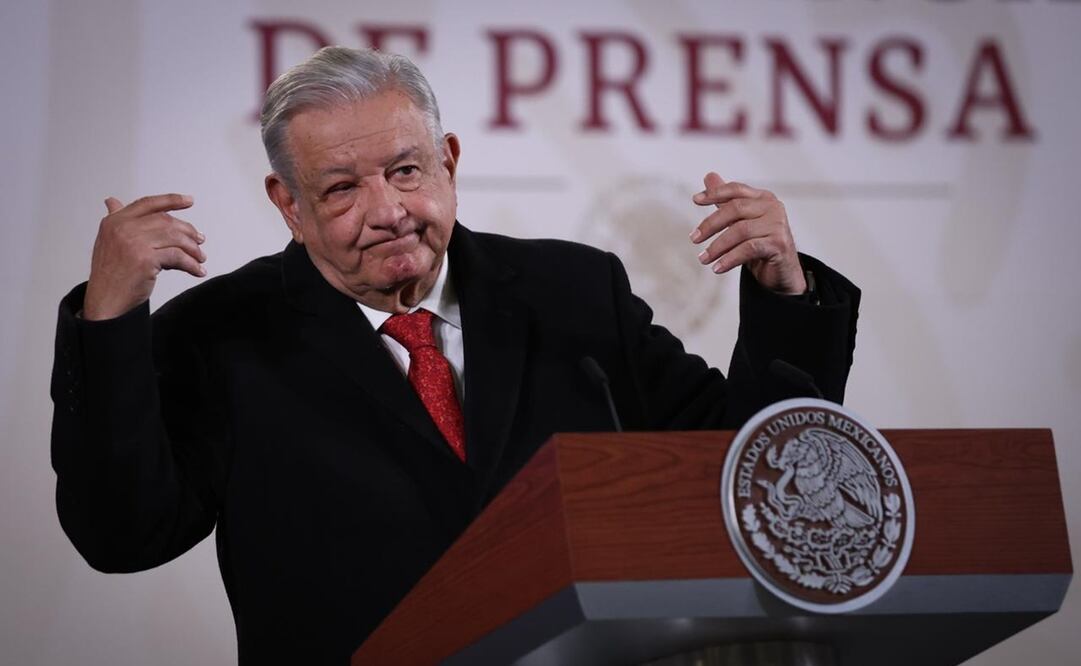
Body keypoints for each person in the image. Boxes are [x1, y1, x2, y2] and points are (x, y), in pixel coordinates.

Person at [50, 47, 859, 664]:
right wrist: (110, 319)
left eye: (406, 170)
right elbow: (123, 535)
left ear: (450, 161)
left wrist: (785, 298)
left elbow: (746, 472)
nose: (388, 211)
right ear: (286, 204)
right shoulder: (221, 333)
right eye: (339, 190)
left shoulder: (572, 291)